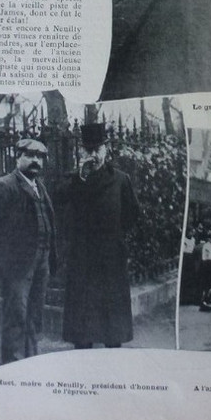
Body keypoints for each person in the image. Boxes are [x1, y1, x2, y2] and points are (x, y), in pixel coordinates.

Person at [60, 122, 140, 349]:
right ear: (81, 152)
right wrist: (80, 178)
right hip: (82, 259)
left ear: (106, 149)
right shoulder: (73, 179)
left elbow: (132, 214)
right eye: (89, 150)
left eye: (98, 149)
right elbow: (59, 200)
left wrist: (114, 235)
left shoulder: (120, 179)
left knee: (112, 327)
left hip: (110, 257)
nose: (94, 155)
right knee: (82, 330)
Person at [0, 138, 57, 365]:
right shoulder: (3, 186)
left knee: (34, 315)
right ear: (18, 157)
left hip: (41, 261)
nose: (35, 160)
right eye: (30, 155)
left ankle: (31, 361)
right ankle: (13, 365)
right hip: (17, 266)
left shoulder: (39, 186)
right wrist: (4, 266)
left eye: (39, 156)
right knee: (16, 316)